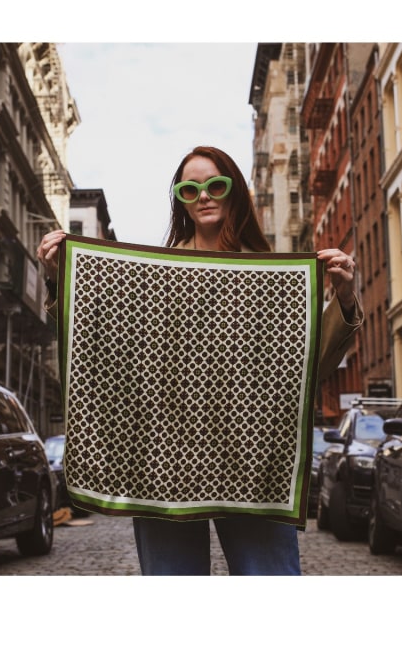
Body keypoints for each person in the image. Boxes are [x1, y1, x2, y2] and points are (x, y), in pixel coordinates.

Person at [37, 145, 362, 575]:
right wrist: (62, 277)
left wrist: (344, 298)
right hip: (162, 458)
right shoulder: (152, 279)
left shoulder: (275, 278)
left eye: (215, 184)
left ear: (235, 191)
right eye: (190, 189)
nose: (204, 195)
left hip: (252, 459)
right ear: (181, 201)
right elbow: (105, 345)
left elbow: (305, 372)